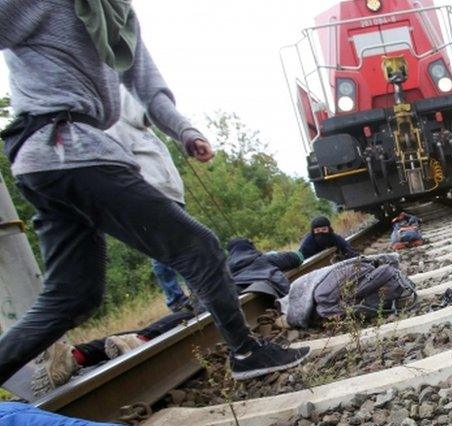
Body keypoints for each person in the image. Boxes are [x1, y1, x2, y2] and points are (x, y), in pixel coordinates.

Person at [0, 0, 308, 386]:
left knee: (74, 294)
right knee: (199, 247)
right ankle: (246, 353)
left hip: (52, 161)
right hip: (68, 149)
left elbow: (145, 85)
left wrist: (184, 130)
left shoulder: (117, 14)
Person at [106, 86, 194, 313]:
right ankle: (176, 299)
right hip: (151, 197)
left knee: (188, 245)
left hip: (172, 194)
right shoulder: (117, 130)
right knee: (163, 250)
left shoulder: (148, 134)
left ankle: (198, 292)